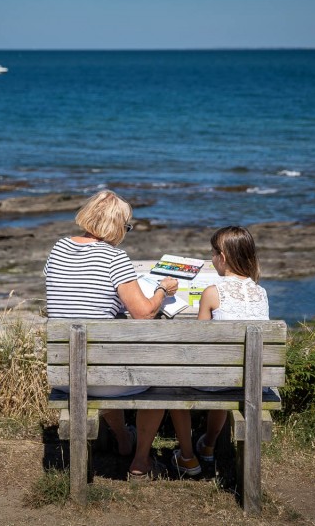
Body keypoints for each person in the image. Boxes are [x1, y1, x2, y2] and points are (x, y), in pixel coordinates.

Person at [44, 190, 179, 480]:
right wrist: (162, 291)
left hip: (66, 376)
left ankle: (122, 439)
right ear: (117, 226)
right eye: (126, 226)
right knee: (162, 380)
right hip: (102, 378)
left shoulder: (58, 248)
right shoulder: (115, 258)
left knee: (102, 361)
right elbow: (143, 313)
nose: (126, 233)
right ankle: (141, 461)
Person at [169, 226, 269, 477]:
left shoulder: (212, 292)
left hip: (221, 379)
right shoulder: (261, 292)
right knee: (229, 372)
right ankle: (210, 445)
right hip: (252, 380)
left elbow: (199, 340)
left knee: (171, 385)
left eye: (212, 253)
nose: (211, 258)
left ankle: (188, 457)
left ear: (221, 257)